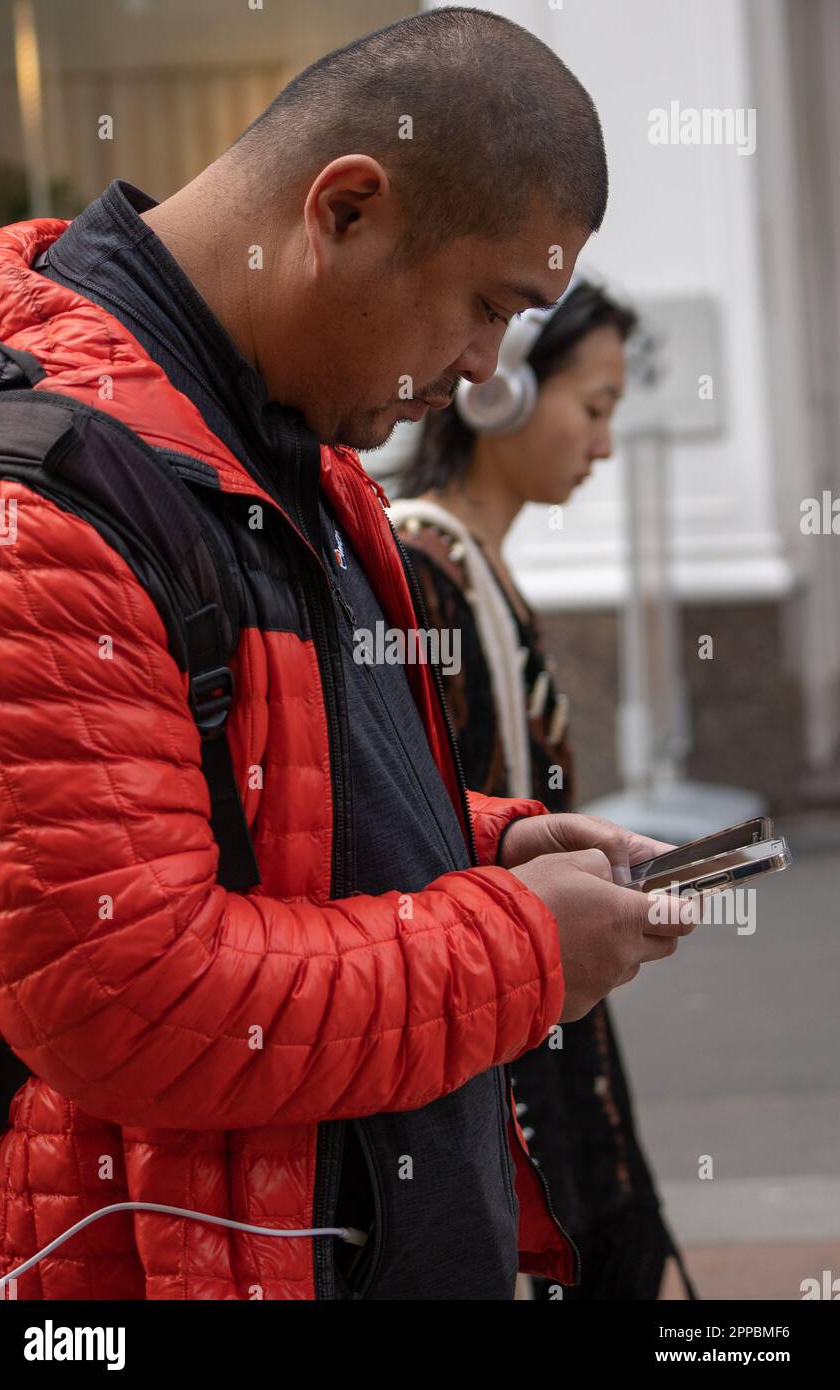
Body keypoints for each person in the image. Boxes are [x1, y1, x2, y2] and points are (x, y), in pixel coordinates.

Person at [0, 7, 695, 1301]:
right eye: (486, 308)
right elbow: (125, 990)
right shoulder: (51, 490)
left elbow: (263, 799)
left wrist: (486, 843)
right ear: (347, 207)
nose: (483, 372)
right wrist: (521, 947)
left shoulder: (284, 432)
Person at [390, 278, 698, 1300]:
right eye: (594, 408)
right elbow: (421, 827)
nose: (603, 445)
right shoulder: (425, 567)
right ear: (501, 392)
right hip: (505, 1009)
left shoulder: (467, 564)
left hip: (532, 997)